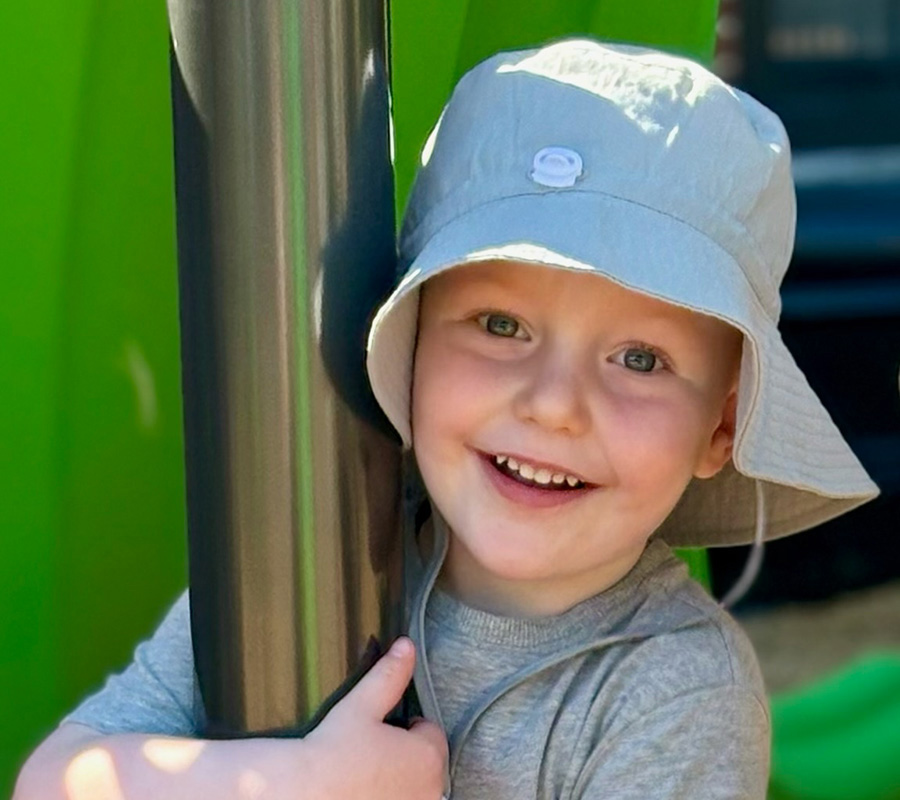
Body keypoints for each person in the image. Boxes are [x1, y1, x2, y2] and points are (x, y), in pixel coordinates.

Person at [15, 38, 878, 800]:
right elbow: (55, 780)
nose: (551, 403)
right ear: (413, 339)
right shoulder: (308, 567)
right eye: (501, 326)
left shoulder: (672, 694)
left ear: (721, 430)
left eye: (640, 359)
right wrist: (287, 785)